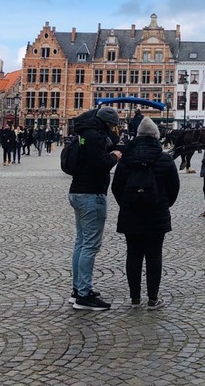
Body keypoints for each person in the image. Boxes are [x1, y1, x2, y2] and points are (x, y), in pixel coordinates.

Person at [111, 117, 179, 309]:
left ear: (138, 135)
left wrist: (127, 204)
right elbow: (174, 188)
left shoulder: (127, 159)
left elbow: (116, 187)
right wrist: (163, 204)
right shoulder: (164, 158)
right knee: (154, 255)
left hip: (131, 213)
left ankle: (134, 298)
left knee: (133, 254)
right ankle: (152, 298)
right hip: (156, 213)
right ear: (156, 136)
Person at [68, 106, 123, 311]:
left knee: (81, 243)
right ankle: (84, 294)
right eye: (113, 126)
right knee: (90, 245)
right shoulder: (95, 136)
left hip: (78, 191)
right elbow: (100, 163)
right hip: (91, 194)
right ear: (108, 124)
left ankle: (78, 289)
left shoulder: (84, 133)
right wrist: (115, 155)